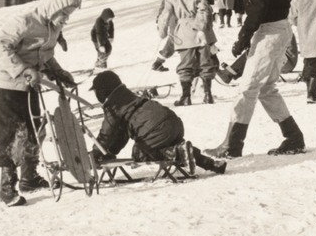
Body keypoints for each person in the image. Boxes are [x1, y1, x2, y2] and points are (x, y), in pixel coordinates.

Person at [208, 0, 306, 159]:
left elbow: (258, 6)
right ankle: (293, 137)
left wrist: (243, 37)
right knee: (266, 89)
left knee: (248, 88)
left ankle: (233, 144)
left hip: (270, 31)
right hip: (281, 28)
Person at [0, 0, 80, 207]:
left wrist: (58, 72)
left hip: (31, 85)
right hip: (8, 85)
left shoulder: (53, 28)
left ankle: (29, 177)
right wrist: (23, 69)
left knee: (35, 131)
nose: (66, 19)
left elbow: (45, 54)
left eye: (69, 14)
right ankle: (7, 188)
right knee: (11, 136)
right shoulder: (24, 21)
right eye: (64, 13)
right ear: (53, 6)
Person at [88, 71, 226, 175]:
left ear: (103, 91)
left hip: (156, 129)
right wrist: (110, 152)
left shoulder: (114, 106)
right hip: (173, 122)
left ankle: (178, 153)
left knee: (140, 154)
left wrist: (95, 154)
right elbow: (120, 135)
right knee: (174, 148)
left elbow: (107, 133)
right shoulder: (127, 96)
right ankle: (211, 163)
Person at [158, 0, 216, 106]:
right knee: (206, 63)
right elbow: (204, 12)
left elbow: (165, 16)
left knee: (185, 64)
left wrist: (162, 32)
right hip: (202, 34)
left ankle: (186, 97)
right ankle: (208, 95)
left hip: (183, 33)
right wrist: (201, 28)